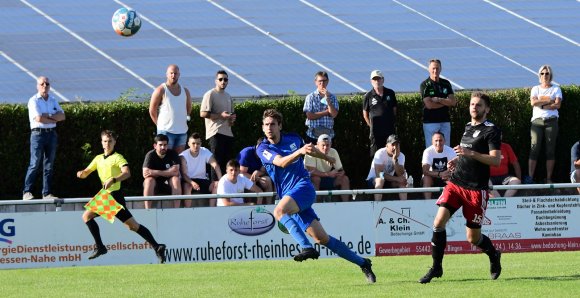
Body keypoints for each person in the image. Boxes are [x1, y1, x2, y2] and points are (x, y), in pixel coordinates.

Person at [257, 109, 375, 283]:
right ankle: (363, 262)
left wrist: (327, 158)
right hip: (290, 195)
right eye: (266, 125)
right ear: (262, 127)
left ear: (280, 126)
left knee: (279, 211)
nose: (269, 128)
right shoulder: (263, 148)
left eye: (273, 124)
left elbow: (310, 149)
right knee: (322, 238)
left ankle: (306, 247)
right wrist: (299, 152)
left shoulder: (294, 139)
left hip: (303, 187)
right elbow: (281, 162)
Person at [419, 92, 502, 284]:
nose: (474, 107)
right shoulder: (467, 126)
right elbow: (466, 153)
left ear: (486, 109)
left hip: (476, 189)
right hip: (456, 183)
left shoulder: (491, 130)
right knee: (438, 222)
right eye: (472, 104)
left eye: (479, 105)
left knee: (473, 238)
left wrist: (470, 153)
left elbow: (496, 160)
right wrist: (458, 159)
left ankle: (493, 254)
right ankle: (436, 267)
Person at [76, 130, 166, 263]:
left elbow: (127, 173)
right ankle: (157, 246)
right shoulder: (98, 158)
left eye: (110, 141)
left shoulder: (118, 157)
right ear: (101, 143)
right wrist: (81, 173)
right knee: (132, 226)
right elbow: (86, 172)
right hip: (111, 196)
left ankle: (100, 247)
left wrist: (114, 179)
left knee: (86, 216)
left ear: (115, 142)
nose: (107, 144)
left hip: (112, 195)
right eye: (105, 141)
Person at [23, 76, 65, 200]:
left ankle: (46, 193)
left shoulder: (53, 100)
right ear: (37, 86)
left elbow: (62, 116)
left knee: (49, 165)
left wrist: (48, 115)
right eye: (42, 84)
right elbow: (39, 118)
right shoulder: (33, 100)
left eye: (47, 84)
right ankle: (27, 192)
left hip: (51, 134)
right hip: (38, 134)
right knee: (34, 163)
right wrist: (53, 118)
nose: (45, 86)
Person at [527, 65, 562, 184]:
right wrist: (548, 101)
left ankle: (548, 178)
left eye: (547, 73)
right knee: (534, 148)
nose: (544, 76)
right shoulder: (535, 88)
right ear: (539, 75)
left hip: (551, 122)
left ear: (550, 75)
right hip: (537, 121)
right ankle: (530, 178)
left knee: (550, 150)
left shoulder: (556, 89)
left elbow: (557, 105)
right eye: (542, 73)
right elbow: (533, 102)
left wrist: (540, 103)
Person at [200, 70, 236, 180]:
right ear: (216, 81)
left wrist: (232, 119)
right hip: (215, 133)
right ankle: (215, 189)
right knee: (216, 163)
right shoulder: (210, 94)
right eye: (220, 79)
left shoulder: (228, 96)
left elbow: (230, 116)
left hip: (228, 134)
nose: (223, 81)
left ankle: (227, 188)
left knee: (228, 163)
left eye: (225, 79)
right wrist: (221, 115)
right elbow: (203, 113)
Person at [149, 64, 192, 154]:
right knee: (165, 159)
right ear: (167, 74)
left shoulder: (185, 91)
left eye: (175, 73)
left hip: (182, 132)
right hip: (165, 132)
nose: (173, 75)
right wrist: (159, 125)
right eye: (171, 73)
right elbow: (152, 110)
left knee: (178, 160)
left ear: (179, 74)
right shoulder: (160, 90)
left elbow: (188, 109)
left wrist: (183, 119)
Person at [420, 59, 457, 148]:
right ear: (429, 69)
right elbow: (429, 105)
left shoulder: (446, 83)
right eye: (433, 68)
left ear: (440, 69)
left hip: (445, 121)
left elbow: (453, 102)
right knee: (431, 148)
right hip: (430, 122)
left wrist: (439, 100)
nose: (435, 71)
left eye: (437, 68)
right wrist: (445, 102)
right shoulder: (425, 85)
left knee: (446, 147)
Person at [179, 132, 222, 208]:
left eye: (198, 143)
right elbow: (184, 175)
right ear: (188, 144)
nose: (196, 146)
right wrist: (192, 183)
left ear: (201, 143)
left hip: (202, 180)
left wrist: (221, 181)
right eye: (193, 143)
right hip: (189, 180)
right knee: (187, 186)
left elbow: (216, 165)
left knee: (217, 185)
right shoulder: (183, 156)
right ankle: (187, 212)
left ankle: (212, 210)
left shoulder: (204, 151)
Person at [304, 134, 350, 202]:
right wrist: (328, 174)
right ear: (317, 144)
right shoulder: (311, 151)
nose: (325, 147)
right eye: (323, 145)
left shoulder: (333, 151)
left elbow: (341, 170)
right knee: (316, 179)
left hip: (326, 178)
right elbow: (312, 172)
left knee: (345, 179)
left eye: (327, 145)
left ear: (331, 144)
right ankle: (315, 204)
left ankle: (346, 205)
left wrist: (340, 173)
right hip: (310, 180)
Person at [363, 70, 398, 157]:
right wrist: (371, 126)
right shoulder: (368, 96)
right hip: (375, 132)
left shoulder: (390, 93)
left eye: (378, 79)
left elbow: (394, 110)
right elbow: (365, 114)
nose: (377, 81)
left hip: (389, 131)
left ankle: (391, 171)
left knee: (391, 154)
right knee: (376, 156)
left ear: (383, 80)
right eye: (374, 79)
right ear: (371, 81)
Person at [142, 134, 182, 209]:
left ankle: (177, 210)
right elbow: (145, 174)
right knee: (149, 180)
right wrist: (168, 172)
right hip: (154, 184)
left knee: (176, 179)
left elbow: (176, 172)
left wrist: (154, 172)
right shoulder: (150, 155)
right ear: (155, 146)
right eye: (160, 145)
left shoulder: (173, 154)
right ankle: (147, 210)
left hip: (168, 184)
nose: (163, 147)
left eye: (165, 145)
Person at [366, 134, 409, 201]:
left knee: (402, 182)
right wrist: (397, 179)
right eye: (393, 145)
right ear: (386, 146)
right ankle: (378, 206)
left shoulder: (401, 156)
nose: (395, 147)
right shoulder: (380, 153)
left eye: (397, 145)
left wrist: (395, 160)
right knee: (380, 180)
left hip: (389, 180)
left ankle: (404, 207)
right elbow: (379, 174)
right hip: (373, 180)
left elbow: (400, 174)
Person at [303, 71, 339, 144]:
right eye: (320, 81)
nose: (322, 83)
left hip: (328, 136)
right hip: (312, 136)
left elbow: (334, 114)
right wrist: (326, 112)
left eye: (324, 81)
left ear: (327, 81)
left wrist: (328, 99)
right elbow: (309, 116)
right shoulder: (310, 97)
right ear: (315, 82)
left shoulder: (333, 97)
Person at [238, 138, 274, 205]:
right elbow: (241, 172)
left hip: (258, 177)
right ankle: (251, 206)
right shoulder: (246, 153)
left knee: (267, 180)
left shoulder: (266, 154)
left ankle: (269, 205)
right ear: (258, 146)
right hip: (244, 177)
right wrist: (254, 177)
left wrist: (258, 172)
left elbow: (265, 170)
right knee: (251, 182)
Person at [421, 131, 457, 199]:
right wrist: (440, 174)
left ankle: (452, 202)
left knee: (454, 179)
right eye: (436, 141)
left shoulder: (450, 151)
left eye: (440, 140)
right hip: (432, 177)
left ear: (444, 141)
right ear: (432, 142)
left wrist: (449, 173)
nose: (438, 143)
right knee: (426, 178)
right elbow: (425, 171)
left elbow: (456, 168)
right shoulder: (427, 151)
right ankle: (427, 202)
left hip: (447, 176)